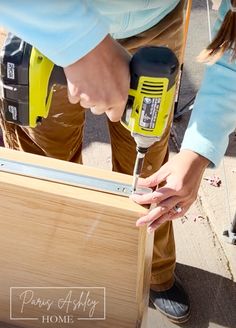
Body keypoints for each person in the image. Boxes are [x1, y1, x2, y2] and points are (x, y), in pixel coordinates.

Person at [0, 0, 231, 324]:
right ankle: (54, 272)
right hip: (40, 24)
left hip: (155, 27)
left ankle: (155, 272)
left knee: (151, 175)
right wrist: (76, 41)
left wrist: (199, 148)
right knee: (47, 170)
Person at [131, 0, 236, 233]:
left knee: (149, 181)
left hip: (155, 23)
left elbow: (231, 63)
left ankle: (155, 267)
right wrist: (85, 47)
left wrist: (197, 151)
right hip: (57, 26)